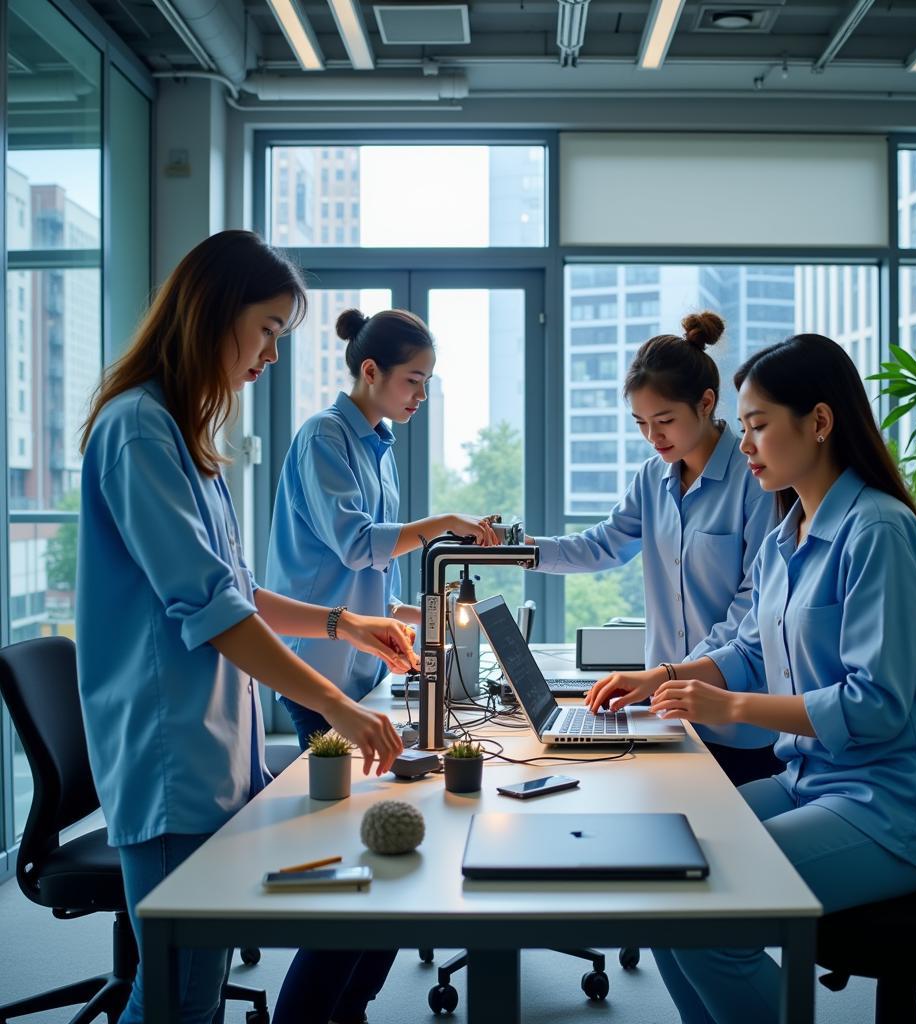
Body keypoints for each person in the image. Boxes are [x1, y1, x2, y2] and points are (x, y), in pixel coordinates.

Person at [76, 230, 413, 1024]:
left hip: (215, 752)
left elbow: (239, 589)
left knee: (189, 992)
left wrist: (345, 622)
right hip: (171, 762)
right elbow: (215, 609)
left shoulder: (184, 434)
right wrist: (337, 702)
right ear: (212, 312)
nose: (270, 355)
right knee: (180, 1004)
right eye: (266, 329)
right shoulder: (137, 429)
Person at [587, 334, 916, 1024]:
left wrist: (727, 703)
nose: (747, 444)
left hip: (888, 807)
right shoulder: (785, 535)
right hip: (808, 781)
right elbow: (748, 650)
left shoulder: (878, 533)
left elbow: (875, 706)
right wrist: (662, 676)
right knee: (662, 882)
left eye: (759, 426)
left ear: (819, 422)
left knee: (706, 919)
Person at [529, 311, 780, 785]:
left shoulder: (756, 480)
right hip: (667, 713)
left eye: (664, 420)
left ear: (706, 403)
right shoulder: (653, 477)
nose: (652, 436)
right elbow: (603, 546)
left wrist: (677, 674)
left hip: (736, 726)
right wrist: (524, 550)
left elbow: (754, 605)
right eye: (641, 422)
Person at [266, 306, 500, 750]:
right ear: (371, 371)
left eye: (427, 383)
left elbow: (369, 584)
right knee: (337, 802)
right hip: (316, 669)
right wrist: (446, 522)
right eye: (413, 380)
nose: (422, 395)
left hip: (361, 668)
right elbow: (358, 547)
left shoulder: (381, 448)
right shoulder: (324, 437)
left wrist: (445, 620)